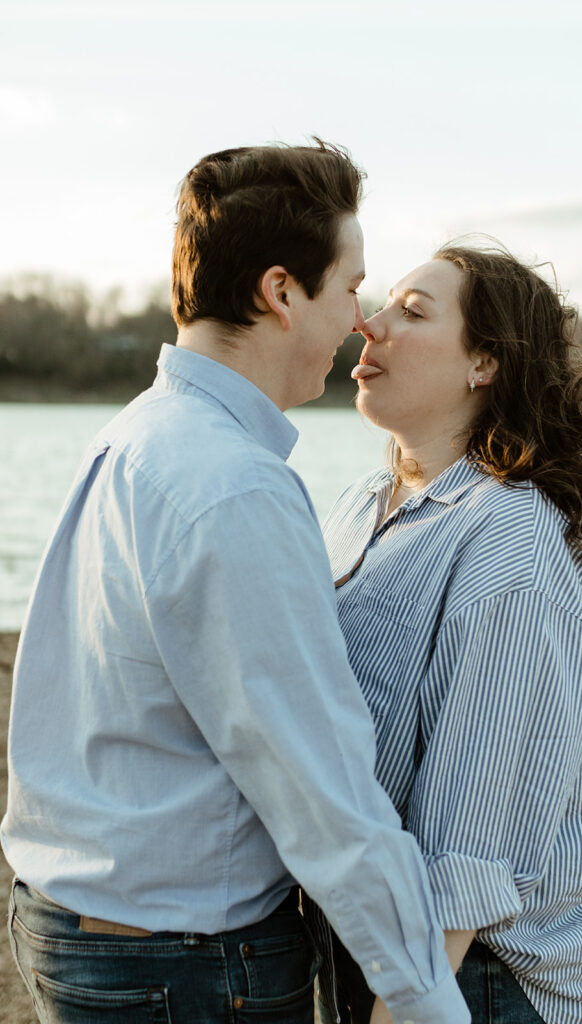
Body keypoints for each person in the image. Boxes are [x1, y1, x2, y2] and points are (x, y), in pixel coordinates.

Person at [2, 142, 470, 1024]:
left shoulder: (135, 437)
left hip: (76, 921)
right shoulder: (233, 484)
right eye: (348, 288)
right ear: (282, 292)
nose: (359, 322)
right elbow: (317, 781)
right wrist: (423, 997)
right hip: (180, 963)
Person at [318, 242, 582, 1024]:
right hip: (376, 948)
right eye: (379, 304)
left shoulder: (509, 537)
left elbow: (474, 833)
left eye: (411, 312)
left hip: (473, 977)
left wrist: (402, 1004)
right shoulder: (362, 502)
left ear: (483, 363)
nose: (368, 325)